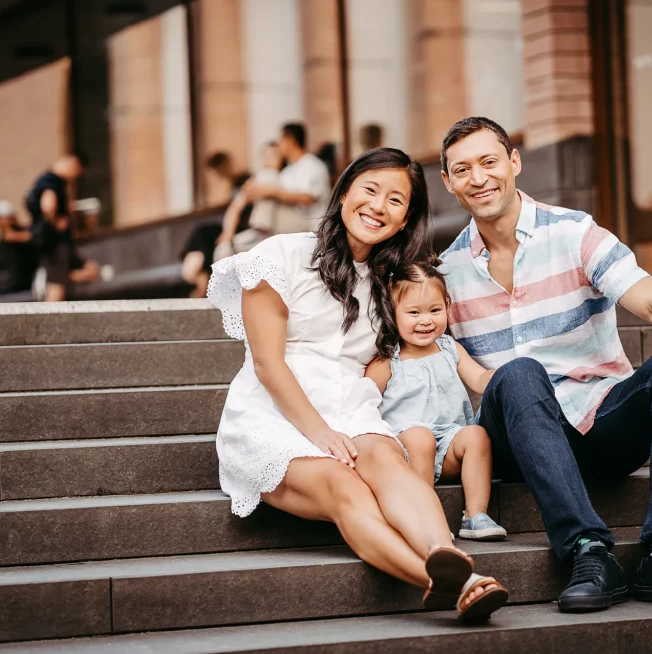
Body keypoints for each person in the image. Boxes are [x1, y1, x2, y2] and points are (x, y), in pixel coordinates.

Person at [206, 147, 508, 622]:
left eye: (396, 200)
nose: (378, 206)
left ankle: (445, 555)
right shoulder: (279, 255)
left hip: (353, 409)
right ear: (345, 192)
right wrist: (320, 432)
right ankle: (452, 584)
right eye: (370, 190)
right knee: (344, 487)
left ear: (406, 218)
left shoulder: (389, 286)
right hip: (273, 413)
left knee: (387, 462)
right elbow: (267, 363)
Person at [438, 117, 652, 613]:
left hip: (602, 422)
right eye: (462, 169)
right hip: (519, 439)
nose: (478, 178)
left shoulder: (574, 232)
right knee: (519, 373)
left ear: (514, 162)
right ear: (447, 182)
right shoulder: (446, 271)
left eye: (488, 162)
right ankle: (587, 552)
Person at [365, 258, 507, 541]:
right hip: (406, 450)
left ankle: (475, 516)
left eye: (435, 310)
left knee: (476, 435)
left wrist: (500, 377)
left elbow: (478, 379)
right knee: (420, 437)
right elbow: (364, 404)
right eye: (413, 312)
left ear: (448, 306)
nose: (426, 320)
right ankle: (425, 517)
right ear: (392, 312)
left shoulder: (449, 349)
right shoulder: (386, 360)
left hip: (449, 445)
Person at [24, 154, 99, 302]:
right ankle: (49, 309)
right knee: (57, 285)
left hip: (57, 242)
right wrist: (56, 221)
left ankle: (47, 279)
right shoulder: (52, 181)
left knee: (90, 270)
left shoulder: (47, 181)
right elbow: (48, 205)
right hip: (54, 242)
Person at [179, 151, 251, 297]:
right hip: (234, 226)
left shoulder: (243, 181)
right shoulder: (233, 185)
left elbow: (238, 210)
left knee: (204, 233)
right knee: (204, 235)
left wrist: (228, 232)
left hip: (242, 226)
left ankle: (203, 277)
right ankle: (202, 275)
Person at [240, 122, 330, 234]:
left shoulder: (313, 166)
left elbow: (308, 199)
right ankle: (260, 228)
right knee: (267, 177)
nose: (278, 145)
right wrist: (256, 192)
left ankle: (260, 229)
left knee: (269, 179)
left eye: (280, 140)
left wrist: (270, 191)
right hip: (290, 219)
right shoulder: (287, 171)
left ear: (290, 140)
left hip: (310, 223)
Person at [213, 141, 283, 260]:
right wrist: (228, 233)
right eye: (267, 155)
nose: (270, 159)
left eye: (274, 155)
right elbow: (236, 206)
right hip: (262, 232)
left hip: (279, 233)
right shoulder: (260, 179)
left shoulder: (286, 177)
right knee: (223, 251)